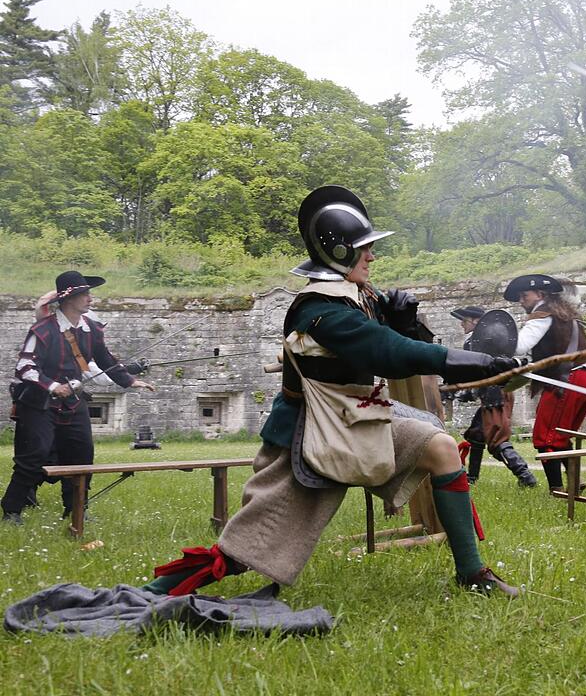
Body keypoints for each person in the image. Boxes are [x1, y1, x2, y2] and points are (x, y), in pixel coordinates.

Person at [142, 186, 521, 597]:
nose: (372, 257)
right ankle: (156, 591)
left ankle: (472, 574)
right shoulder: (320, 309)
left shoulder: (355, 297)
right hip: (313, 435)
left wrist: (401, 322)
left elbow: (387, 344)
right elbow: (387, 353)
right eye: (363, 250)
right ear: (339, 253)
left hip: (356, 419)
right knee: (249, 547)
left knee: (441, 448)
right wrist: (476, 362)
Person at [2, 271, 154, 524]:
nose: (90, 298)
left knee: (82, 456)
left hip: (73, 403)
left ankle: (76, 510)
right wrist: (52, 387)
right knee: (34, 456)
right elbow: (25, 367)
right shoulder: (43, 329)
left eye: (88, 293)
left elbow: (105, 360)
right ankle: (12, 510)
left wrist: (130, 380)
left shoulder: (91, 329)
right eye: (83, 294)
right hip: (38, 404)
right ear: (67, 299)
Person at [504, 274, 586, 492]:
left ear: (540, 294)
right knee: (561, 436)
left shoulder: (542, 314)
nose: (521, 300)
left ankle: (557, 490)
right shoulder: (565, 315)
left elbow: (519, 346)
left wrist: (497, 342)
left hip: (568, 380)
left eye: (524, 295)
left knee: (545, 437)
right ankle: (574, 483)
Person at [453, 306, 537, 487]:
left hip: (494, 396)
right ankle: (472, 478)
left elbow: (477, 370)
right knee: (476, 435)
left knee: (497, 439)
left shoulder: (477, 343)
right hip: (499, 393)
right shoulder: (492, 341)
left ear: (476, 322)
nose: (461, 324)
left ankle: (526, 477)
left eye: (465, 320)